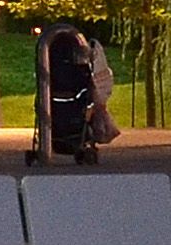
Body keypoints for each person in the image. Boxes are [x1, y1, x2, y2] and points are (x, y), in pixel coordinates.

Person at [38, 23, 114, 164]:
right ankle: (79, 141)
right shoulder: (78, 73)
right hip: (74, 103)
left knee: (63, 109)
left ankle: (49, 144)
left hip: (57, 101)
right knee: (77, 109)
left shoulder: (56, 72)